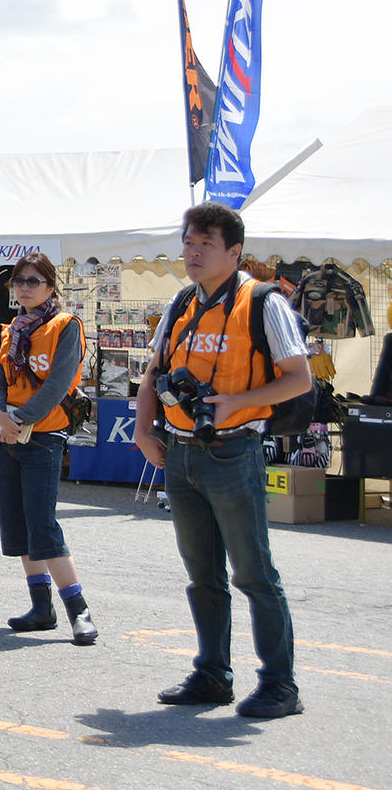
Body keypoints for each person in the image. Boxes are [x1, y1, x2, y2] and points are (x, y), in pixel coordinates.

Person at [136, 203, 311, 719]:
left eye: (204, 243)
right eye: (188, 241)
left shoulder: (263, 302)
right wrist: (145, 431)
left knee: (253, 572)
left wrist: (238, 401)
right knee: (201, 574)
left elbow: (300, 378)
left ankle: (281, 684)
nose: (191, 251)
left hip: (235, 449)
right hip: (181, 451)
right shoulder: (183, 301)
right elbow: (154, 372)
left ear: (234, 252)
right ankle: (213, 673)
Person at [0, 252, 97, 646]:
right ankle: (41, 607)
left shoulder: (66, 326)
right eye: (19, 281)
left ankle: (78, 610)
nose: (24, 288)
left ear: (51, 286)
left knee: (42, 523)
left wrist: (20, 419)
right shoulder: (10, 329)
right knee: (18, 523)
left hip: (44, 436)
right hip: (8, 435)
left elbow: (58, 384)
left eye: (33, 281)